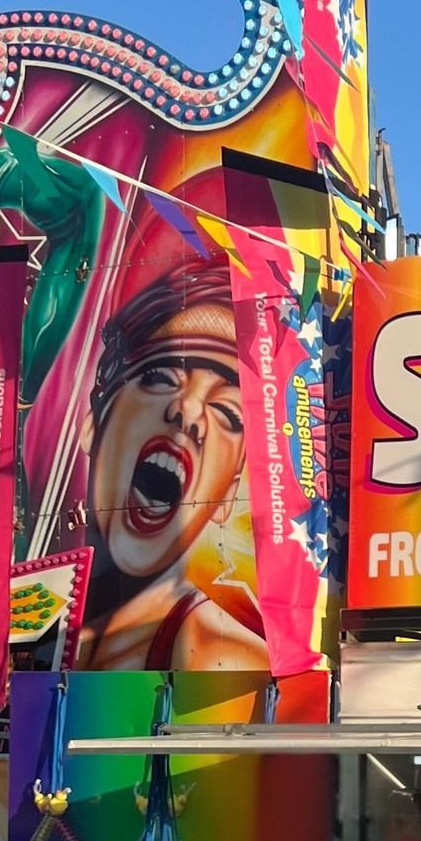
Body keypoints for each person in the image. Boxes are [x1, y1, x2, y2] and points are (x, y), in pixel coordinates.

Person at [74, 263, 270, 671]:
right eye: (162, 377)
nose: (188, 411)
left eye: (227, 412)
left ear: (228, 495)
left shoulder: (222, 658)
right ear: (93, 425)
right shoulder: (38, 623)